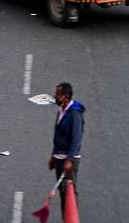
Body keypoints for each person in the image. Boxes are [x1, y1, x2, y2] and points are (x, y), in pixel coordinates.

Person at [47, 82, 85, 218]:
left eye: (58, 94)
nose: (55, 97)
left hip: (68, 160)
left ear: (66, 97)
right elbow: (58, 136)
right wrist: (53, 156)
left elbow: (76, 139)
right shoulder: (62, 111)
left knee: (69, 192)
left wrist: (69, 160)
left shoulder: (74, 114)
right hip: (59, 158)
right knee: (63, 192)